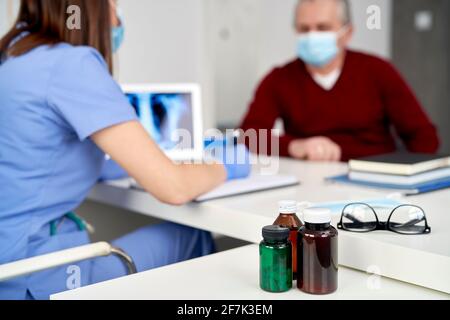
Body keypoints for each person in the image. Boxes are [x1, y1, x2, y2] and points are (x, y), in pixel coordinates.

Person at [0, 0, 249, 300]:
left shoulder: (12, 56)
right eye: (114, 3)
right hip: (33, 276)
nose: (117, 13)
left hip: (11, 266)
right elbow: (174, 188)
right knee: (191, 235)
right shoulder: (71, 64)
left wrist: (142, 161)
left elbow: (36, 158)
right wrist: (225, 165)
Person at [240, 0, 440, 162]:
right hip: (309, 180)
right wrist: (294, 146)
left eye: (323, 27)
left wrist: (406, 177)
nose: (312, 35)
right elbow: (248, 137)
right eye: (304, 29)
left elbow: (423, 136)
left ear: (347, 33)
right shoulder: (278, 78)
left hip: (374, 179)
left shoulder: (378, 70)